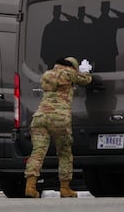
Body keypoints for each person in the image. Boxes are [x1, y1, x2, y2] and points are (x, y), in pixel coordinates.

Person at [24, 56, 93, 198]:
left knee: (37, 153)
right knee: (64, 153)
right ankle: (65, 188)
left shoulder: (47, 75)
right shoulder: (69, 73)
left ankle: (30, 187)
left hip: (40, 117)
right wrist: (85, 71)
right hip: (59, 119)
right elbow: (86, 80)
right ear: (72, 67)